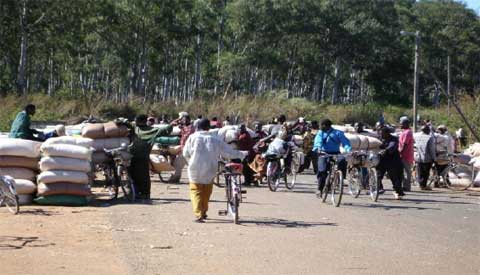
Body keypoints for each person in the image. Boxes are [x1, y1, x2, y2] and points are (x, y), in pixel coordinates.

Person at [183, 118, 248, 223]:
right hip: (210, 168)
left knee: (196, 190)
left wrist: (190, 161)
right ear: (209, 128)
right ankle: (203, 212)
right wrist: (242, 154)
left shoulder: (192, 137)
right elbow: (228, 152)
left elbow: (185, 153)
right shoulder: (215, 140)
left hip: (195, 168)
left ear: (197, 127)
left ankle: (199, 213)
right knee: (206, 191)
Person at [129, 115, 171, 199]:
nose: (135, 122)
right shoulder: (134, 128)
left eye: (136, 120)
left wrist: (171, 124)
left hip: (143, 156)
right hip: (132, 155)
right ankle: (134, 192)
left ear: (142, 121)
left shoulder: (152, 130)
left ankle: (145, 194)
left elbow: (166, 130)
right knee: (132, 175)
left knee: (143, 176)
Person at [312, 119, 351, 197]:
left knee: (342, 160)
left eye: (321, 125)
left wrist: (348, 149)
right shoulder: (320, 133)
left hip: (335, 153)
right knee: (322, 171)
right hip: (323, 152)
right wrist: (318, 148)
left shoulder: (338, 133)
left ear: (325, 126)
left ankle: (340, 177)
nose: (320, 127)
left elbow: (345, 142)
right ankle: (320, 189)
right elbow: (318, 141)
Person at [377, 127, 405, 199]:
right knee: (378, 175)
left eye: (382, 133)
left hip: (393, 161)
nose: (381, 135)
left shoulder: (394, 139)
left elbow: (392, 145)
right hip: (382, 160)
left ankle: (398, 192)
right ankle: (379, 188)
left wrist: (386, 150)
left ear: (387, 133)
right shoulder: (380, 139)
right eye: (380, 133)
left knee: (395, 178)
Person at [169, 113, 195, 183]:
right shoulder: (183, 127)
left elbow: (187, 134)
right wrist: (178, 119)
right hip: (184, 149)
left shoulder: (191, 127)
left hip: (189, 150)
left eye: (185, 119)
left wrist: (181, 124)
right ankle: (176, 178)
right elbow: (172, 124)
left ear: (189, 120)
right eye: (183, 120)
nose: (184, 121)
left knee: (188, 165)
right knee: (178, 164)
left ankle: (176, 178)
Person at [414, 125, 437, 190]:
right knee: (426, 173)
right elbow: (431, 149)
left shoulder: (417, 137)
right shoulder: (430, 138)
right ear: (427, 130)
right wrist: (434, 158)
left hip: (418, 157)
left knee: (420, 172)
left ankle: (420, 184)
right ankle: (423, 186)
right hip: (427, 158)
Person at [398, 116, 414, 192]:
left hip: (406, 155)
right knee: (402, 171)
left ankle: (407, 187)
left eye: (401, 124)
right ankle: (404, 185)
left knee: (407, 172)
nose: (400, 125)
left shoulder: (407, 132)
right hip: (403, 155)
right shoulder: (404, 132)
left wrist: (400, 153)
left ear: (406, 124)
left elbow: (405, 144)